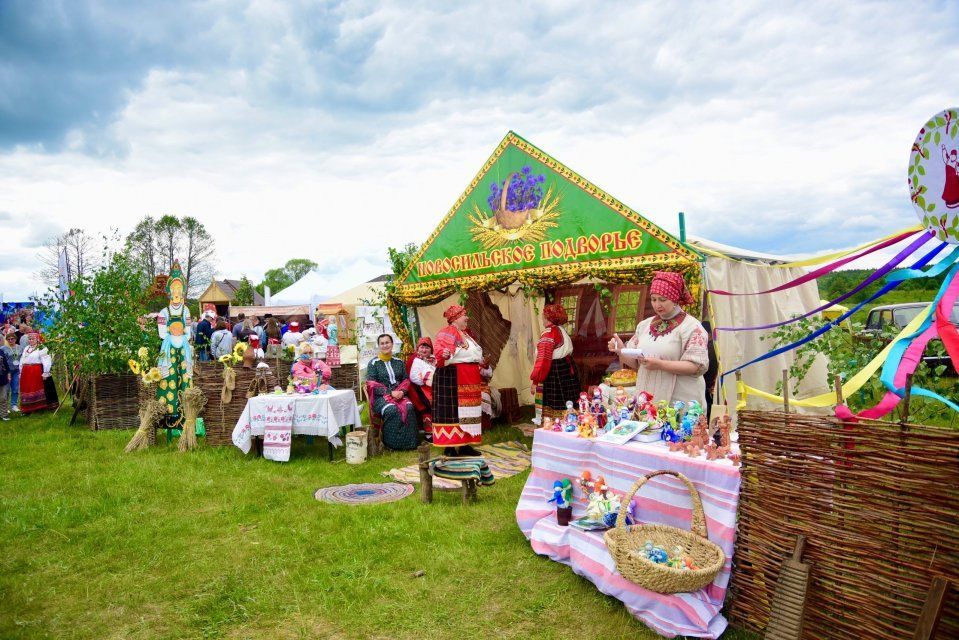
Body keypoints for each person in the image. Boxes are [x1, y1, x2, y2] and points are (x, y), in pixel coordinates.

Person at [608, 271, 709, 409]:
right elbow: (637, 363)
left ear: (674, 299)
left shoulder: (691, 327)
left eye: (662, 299)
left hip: (680, 403)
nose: (657, 305)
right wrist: (621, 351)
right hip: (649, 403)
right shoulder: (644, 326)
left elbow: (696, 366)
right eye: (653, 299)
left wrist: (660, 364)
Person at [432, 305, 490, 457]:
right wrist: (443, 353)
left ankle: (465, 445)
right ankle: (450, 447)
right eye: (464, 315)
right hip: (453, 377)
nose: (467, 318)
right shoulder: (447, 333)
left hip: (468, 377)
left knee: (468, 411)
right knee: (453, 412)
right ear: (456, 318)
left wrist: (481, 362)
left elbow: (470, 354)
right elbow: (439, 350)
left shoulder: (465, 334)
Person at [156, 263, 193, 429]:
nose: (177, 292)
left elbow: (189, 330)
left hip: (183, 348)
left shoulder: (186, 311)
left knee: (184, 377)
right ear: (170, 291)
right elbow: (162, 332)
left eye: (179, 288)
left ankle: (187, 413)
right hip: (169, 348)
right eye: (174, 288)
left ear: (183, 290)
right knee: (169, 377)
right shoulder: (164, 312)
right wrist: (173, 333)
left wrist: (182, 333)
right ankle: (169, 413)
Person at [366, 334, 418, 450]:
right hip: (381, 397)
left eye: (387, 342)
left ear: (392, 344)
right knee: (391, 410)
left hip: (400, 394)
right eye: (382, 343)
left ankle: (410, 443)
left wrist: (402, 392)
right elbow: (372, 385)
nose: (385, 345)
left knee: (409, 407)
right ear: (379, 346)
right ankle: (391, 444)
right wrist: (391, 392)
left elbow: (405, 379)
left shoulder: (398, 362)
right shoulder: (373, 364)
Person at [530, 303, 581, 423]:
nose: (542, 317)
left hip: (555, 372)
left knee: (556, 401)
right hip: (566, 369)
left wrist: (535, 381)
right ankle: (569, 423)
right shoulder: (561, 330)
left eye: (543, 315)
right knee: (567, 399)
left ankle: (555, 426)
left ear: (548, 317)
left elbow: (543, 360)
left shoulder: (549, 333)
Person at [19, 332, 58, 414]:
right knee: (27, 389)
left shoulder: (41, 348)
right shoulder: (26, 348)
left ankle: (39, 407)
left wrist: (46, 372)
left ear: (37, 339)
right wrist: (21, 371)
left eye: (33, 339)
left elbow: (46, 360)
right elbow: (22, 360)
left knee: (36, 388)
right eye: (29, 339)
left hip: (35, 371)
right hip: (26, 372)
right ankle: (27, 408)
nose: (31, 340)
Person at [406, 337, 436, 442]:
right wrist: (426, 381)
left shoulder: (432, 360)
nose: (424, 350)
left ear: (431, 350)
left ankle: (436, 431)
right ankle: (428, 435)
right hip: (418, 389)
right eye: (422, 347)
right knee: (427, 407)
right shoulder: (416, 359)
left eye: (427, 348)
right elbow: (413, 377)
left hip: (431, 389)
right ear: (418, 348)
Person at [5, 332, 22, 411]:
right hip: (7, 372)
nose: (11, 340)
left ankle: (14, 405)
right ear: (7, 340)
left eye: (12, 339)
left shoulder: (20, 347)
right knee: (6, 389)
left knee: (15, 388)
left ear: (15, 339)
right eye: (9, 339)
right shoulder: (3, 348)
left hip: (16, 371)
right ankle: (5, 406)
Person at [0, 336, 13, 420]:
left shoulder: (1, 351)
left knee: (3, 397)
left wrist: (8, 373)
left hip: (2, 378)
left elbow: (6, 364)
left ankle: (4, 415)